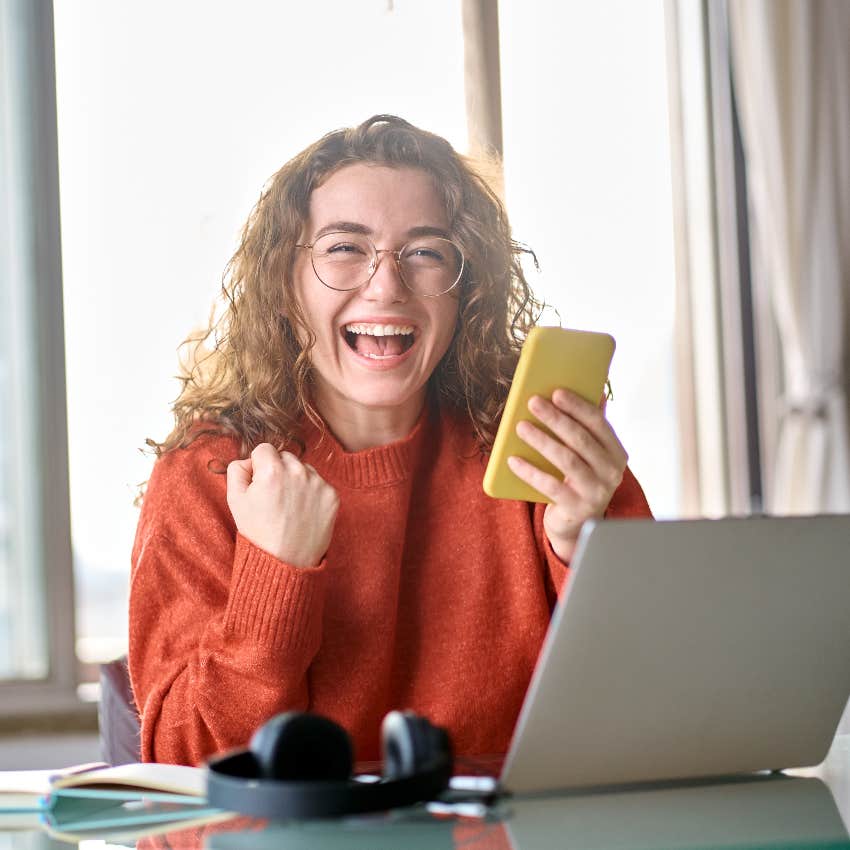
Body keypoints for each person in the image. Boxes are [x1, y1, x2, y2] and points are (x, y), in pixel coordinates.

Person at [129, 114, 652, 767]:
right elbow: (183, 777)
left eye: (426, 252)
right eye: (344, 248)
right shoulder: (207, 473)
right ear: (285, 288)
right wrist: (274, 573)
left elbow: (652, 720)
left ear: (467, 290)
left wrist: (584, 549)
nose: (386, 285)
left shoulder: (545, 451)